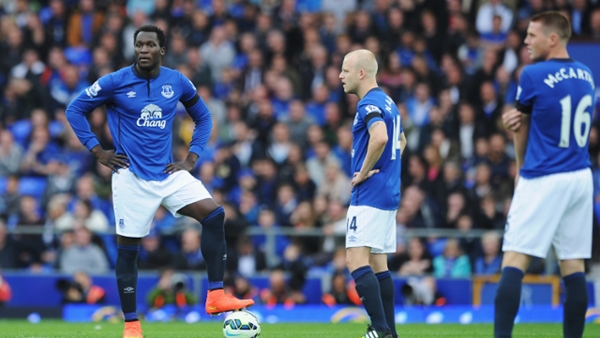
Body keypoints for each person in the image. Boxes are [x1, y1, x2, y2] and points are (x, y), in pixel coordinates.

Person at [65, 25, 253, 338]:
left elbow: (204, 117)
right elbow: (75, 110)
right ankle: (131, 325)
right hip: (131, 177)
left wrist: (192, 158)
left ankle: (216, 295)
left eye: (150, 44)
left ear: (161, 50)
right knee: (129, 250)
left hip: (168, 173)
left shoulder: (176, 81)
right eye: (139, 44)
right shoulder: (115, 81)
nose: (143, 50)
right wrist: (97, 151)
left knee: (215, 214)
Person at [495, 12, 595, 338]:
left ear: (552, 39)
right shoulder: (586, 74)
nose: (526, 41)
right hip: (580, 175)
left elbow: (519, 124)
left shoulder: (533, 74)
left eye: (532, 35)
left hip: (544, 176)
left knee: (513, 261)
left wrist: (520, 168)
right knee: (573, 267)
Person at [339, 49, 407, 338]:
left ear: (361, 73)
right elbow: (401, 140)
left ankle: (380, 330)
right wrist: (388, 165)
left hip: (369, 194)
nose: (340, 76)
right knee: (379, 263)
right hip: (389, 192)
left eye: (345, 70)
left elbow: (380, 137)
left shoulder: (367, 104)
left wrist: (365, 170)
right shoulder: (389, 102)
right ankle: (389, 331)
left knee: (356, 260)